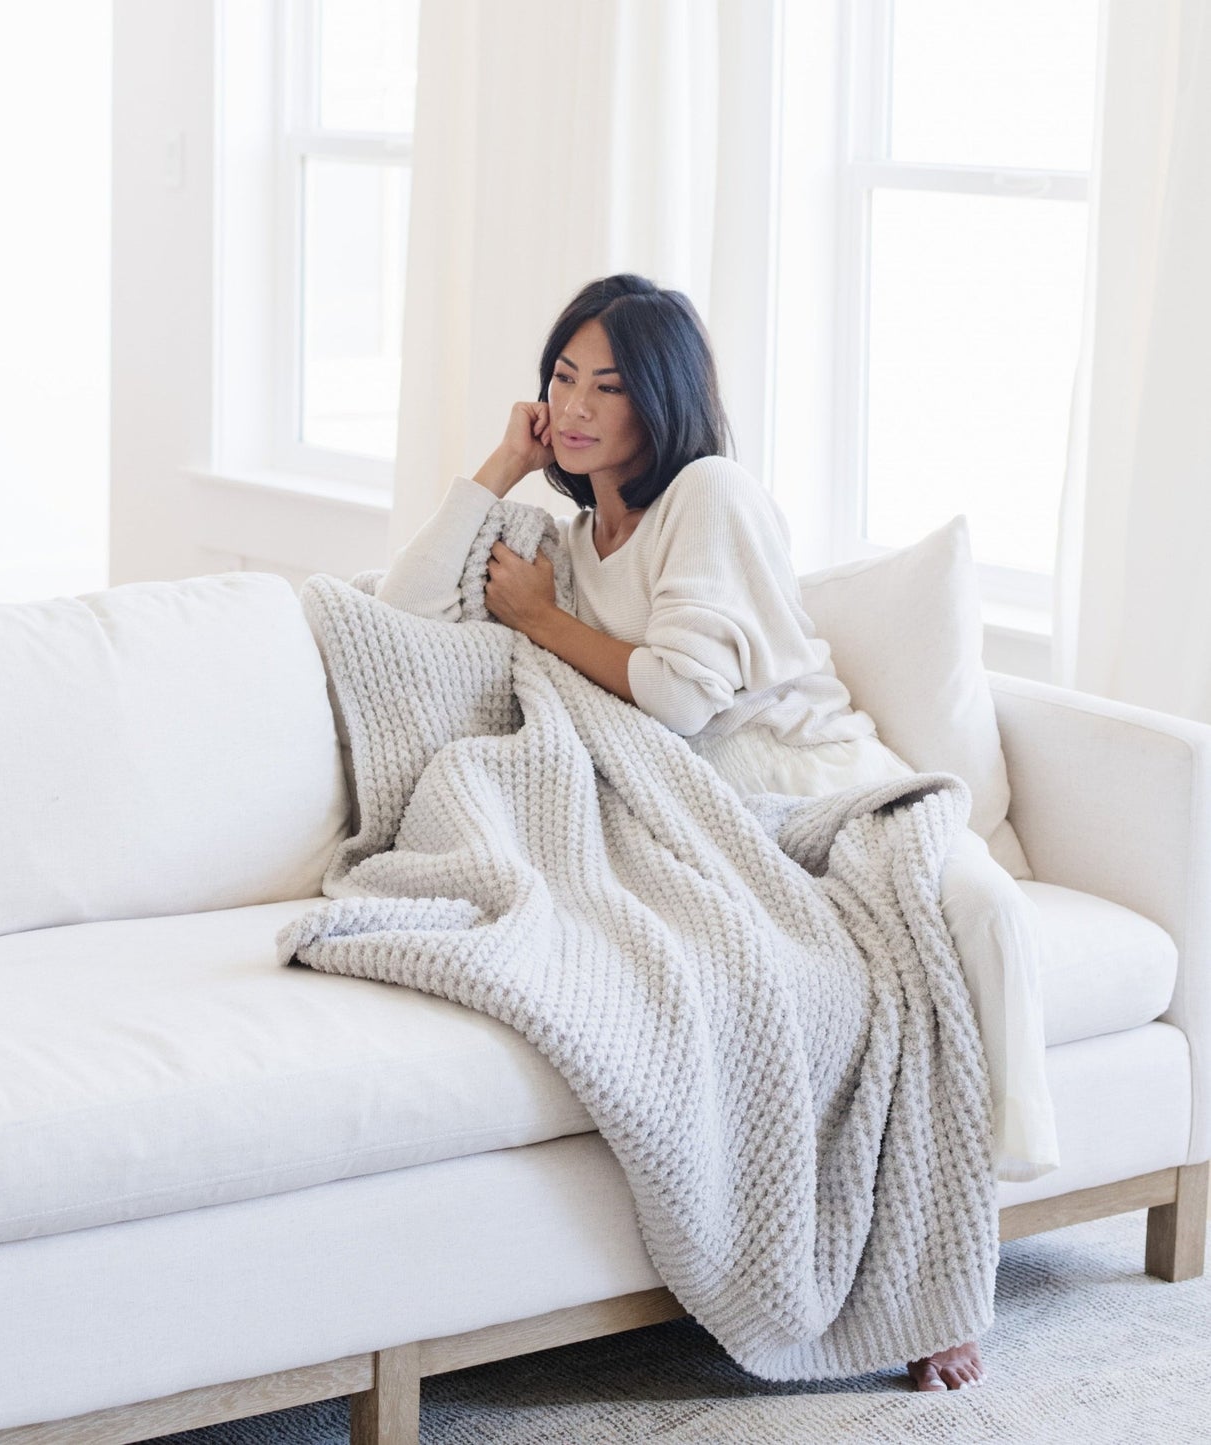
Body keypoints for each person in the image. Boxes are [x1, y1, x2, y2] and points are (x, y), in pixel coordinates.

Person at [377, 272, 1059, 1393]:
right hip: (709, 820)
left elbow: (680, 693)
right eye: (562, 376)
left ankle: (966, 1224)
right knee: (765, 982)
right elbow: (400, 617)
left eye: (610, 382)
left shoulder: (709, 494)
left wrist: (541, 620)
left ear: (662, 398)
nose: (581, 404)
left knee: (973, 912)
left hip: (821, 775)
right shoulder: (555, 533)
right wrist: (498, 469)